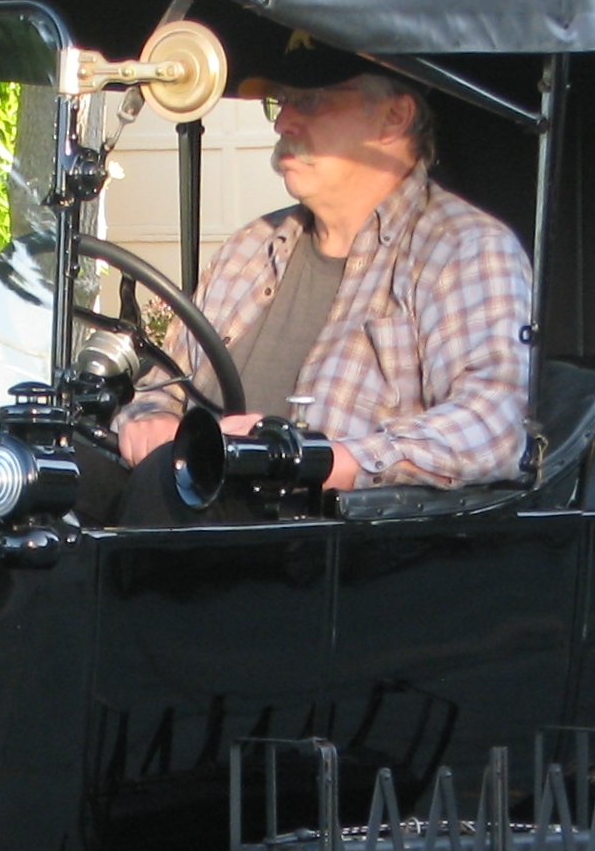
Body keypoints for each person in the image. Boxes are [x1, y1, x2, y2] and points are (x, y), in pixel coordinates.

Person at [107, 52, 532, 516]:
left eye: (308, 101)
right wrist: (153, 420)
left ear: (395, 117)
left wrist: (311, 461)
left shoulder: (463, 248)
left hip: (328, 545)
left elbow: (492, 423)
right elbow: (163, 385)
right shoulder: (251, 247)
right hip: (193, 508)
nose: (283, 122)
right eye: (281, 102)